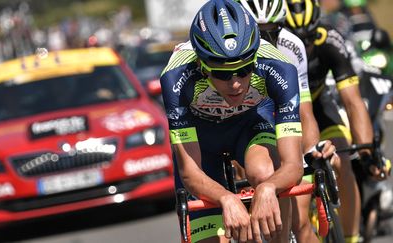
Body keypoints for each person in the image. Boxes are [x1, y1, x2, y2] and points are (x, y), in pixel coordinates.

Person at [161, 0, 309, 242]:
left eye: (244, 70)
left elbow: (292, 165)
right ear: (201, 64)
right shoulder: (176, 77)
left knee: (265, 172)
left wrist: (268, 187)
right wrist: (226, 198)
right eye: (221, 73)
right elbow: (190, 172)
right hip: (202, 141)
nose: (236, 83)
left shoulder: (279, 66)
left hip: (248, 127)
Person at [284, 0, 389, 242]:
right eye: (296, 38)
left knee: (343, 163)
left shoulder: (331, 40)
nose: (304, 46)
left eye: (308, 38)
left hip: (321, 107)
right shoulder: (275, 46)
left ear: (317, 28)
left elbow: (353, 102)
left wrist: (366, 152)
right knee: (298, 190)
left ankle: (352, 237)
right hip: (287, 115)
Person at [238, 0, 333, 242]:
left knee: (300, 223)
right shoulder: (232, 54)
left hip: (280, 121)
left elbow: (304, 111)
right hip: (246, 123)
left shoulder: (291, 47)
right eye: (258, 33)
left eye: (273, 31)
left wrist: (312, 152)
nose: (266, 40)